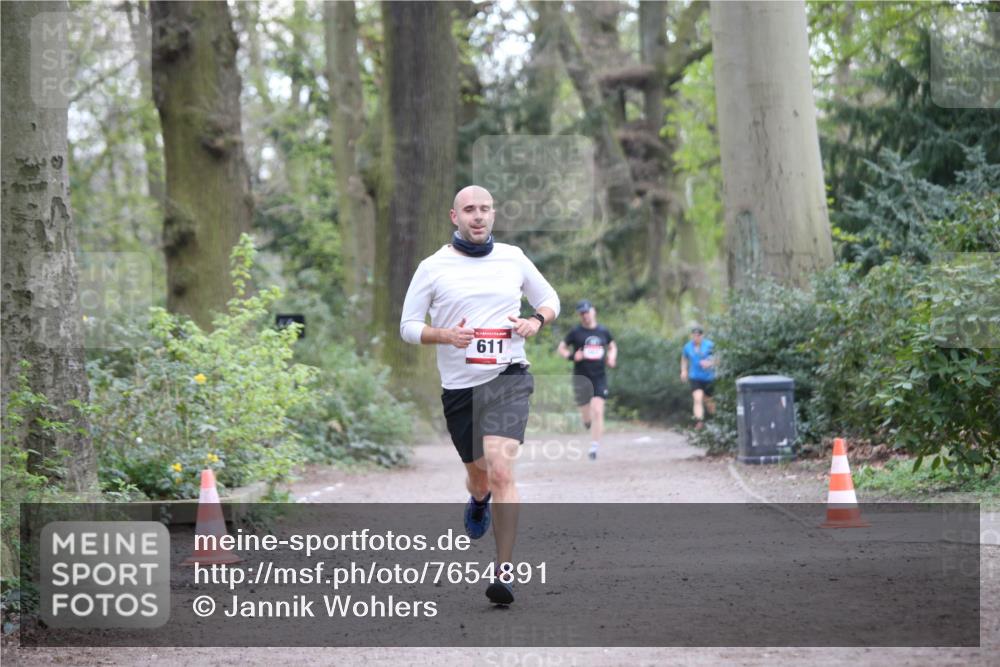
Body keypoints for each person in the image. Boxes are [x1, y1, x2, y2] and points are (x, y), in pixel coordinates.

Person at [400, 185, 559, 606]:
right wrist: (444, 335)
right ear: (455, 217)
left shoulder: (513, 257)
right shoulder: (433, 267)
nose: (478, 216)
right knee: (480, 474)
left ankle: (504, 571)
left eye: (485, 209)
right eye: (469, 210)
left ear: (493, 214)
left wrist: (535, 322)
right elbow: (409, 325)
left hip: (509, 375)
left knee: (502, 468)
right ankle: (477, 498)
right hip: (459, 389)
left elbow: (549, 300)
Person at [557, 300, 616, 460]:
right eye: (582, 313)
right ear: (579, 315)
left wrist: (611, 357)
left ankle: (594, 447)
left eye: (587, 312)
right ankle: (587, 422)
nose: (585, 315)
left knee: (598, 410)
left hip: (599, 376)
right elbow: (561, 348)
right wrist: (571, 356)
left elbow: (612, 346)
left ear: (593, 311)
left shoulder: (603, 331)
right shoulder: (576, 332)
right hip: (581, 377)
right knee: (586, 415)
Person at [680, 325, 715, 429]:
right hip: (695, 377)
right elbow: (684, 359)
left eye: (698, 335)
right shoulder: (687, 347)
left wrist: (710, 363)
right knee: (697, 398)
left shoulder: (710, 345)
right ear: (692, 336)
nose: (696, 337)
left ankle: (715, 420)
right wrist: (684, 371)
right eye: (694, 335)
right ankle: (699, 421)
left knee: (709, 402)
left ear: (702, 336)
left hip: (709, 377)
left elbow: (719, 358)